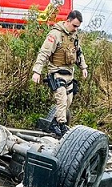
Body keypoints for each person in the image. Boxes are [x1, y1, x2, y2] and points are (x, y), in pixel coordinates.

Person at [32, 10, 88, 138]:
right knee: (61, 99)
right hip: (56, 71)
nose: (76, 29)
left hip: (69, 73)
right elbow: (44, 53)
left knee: (68, 101)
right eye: (74, 26)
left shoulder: (74, 36)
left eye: (78, 27)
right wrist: (37, 71)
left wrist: (83, 67)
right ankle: (61, 125)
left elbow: (78, 53)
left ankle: (55, 123)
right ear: (68, 21)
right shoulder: (55, 34)